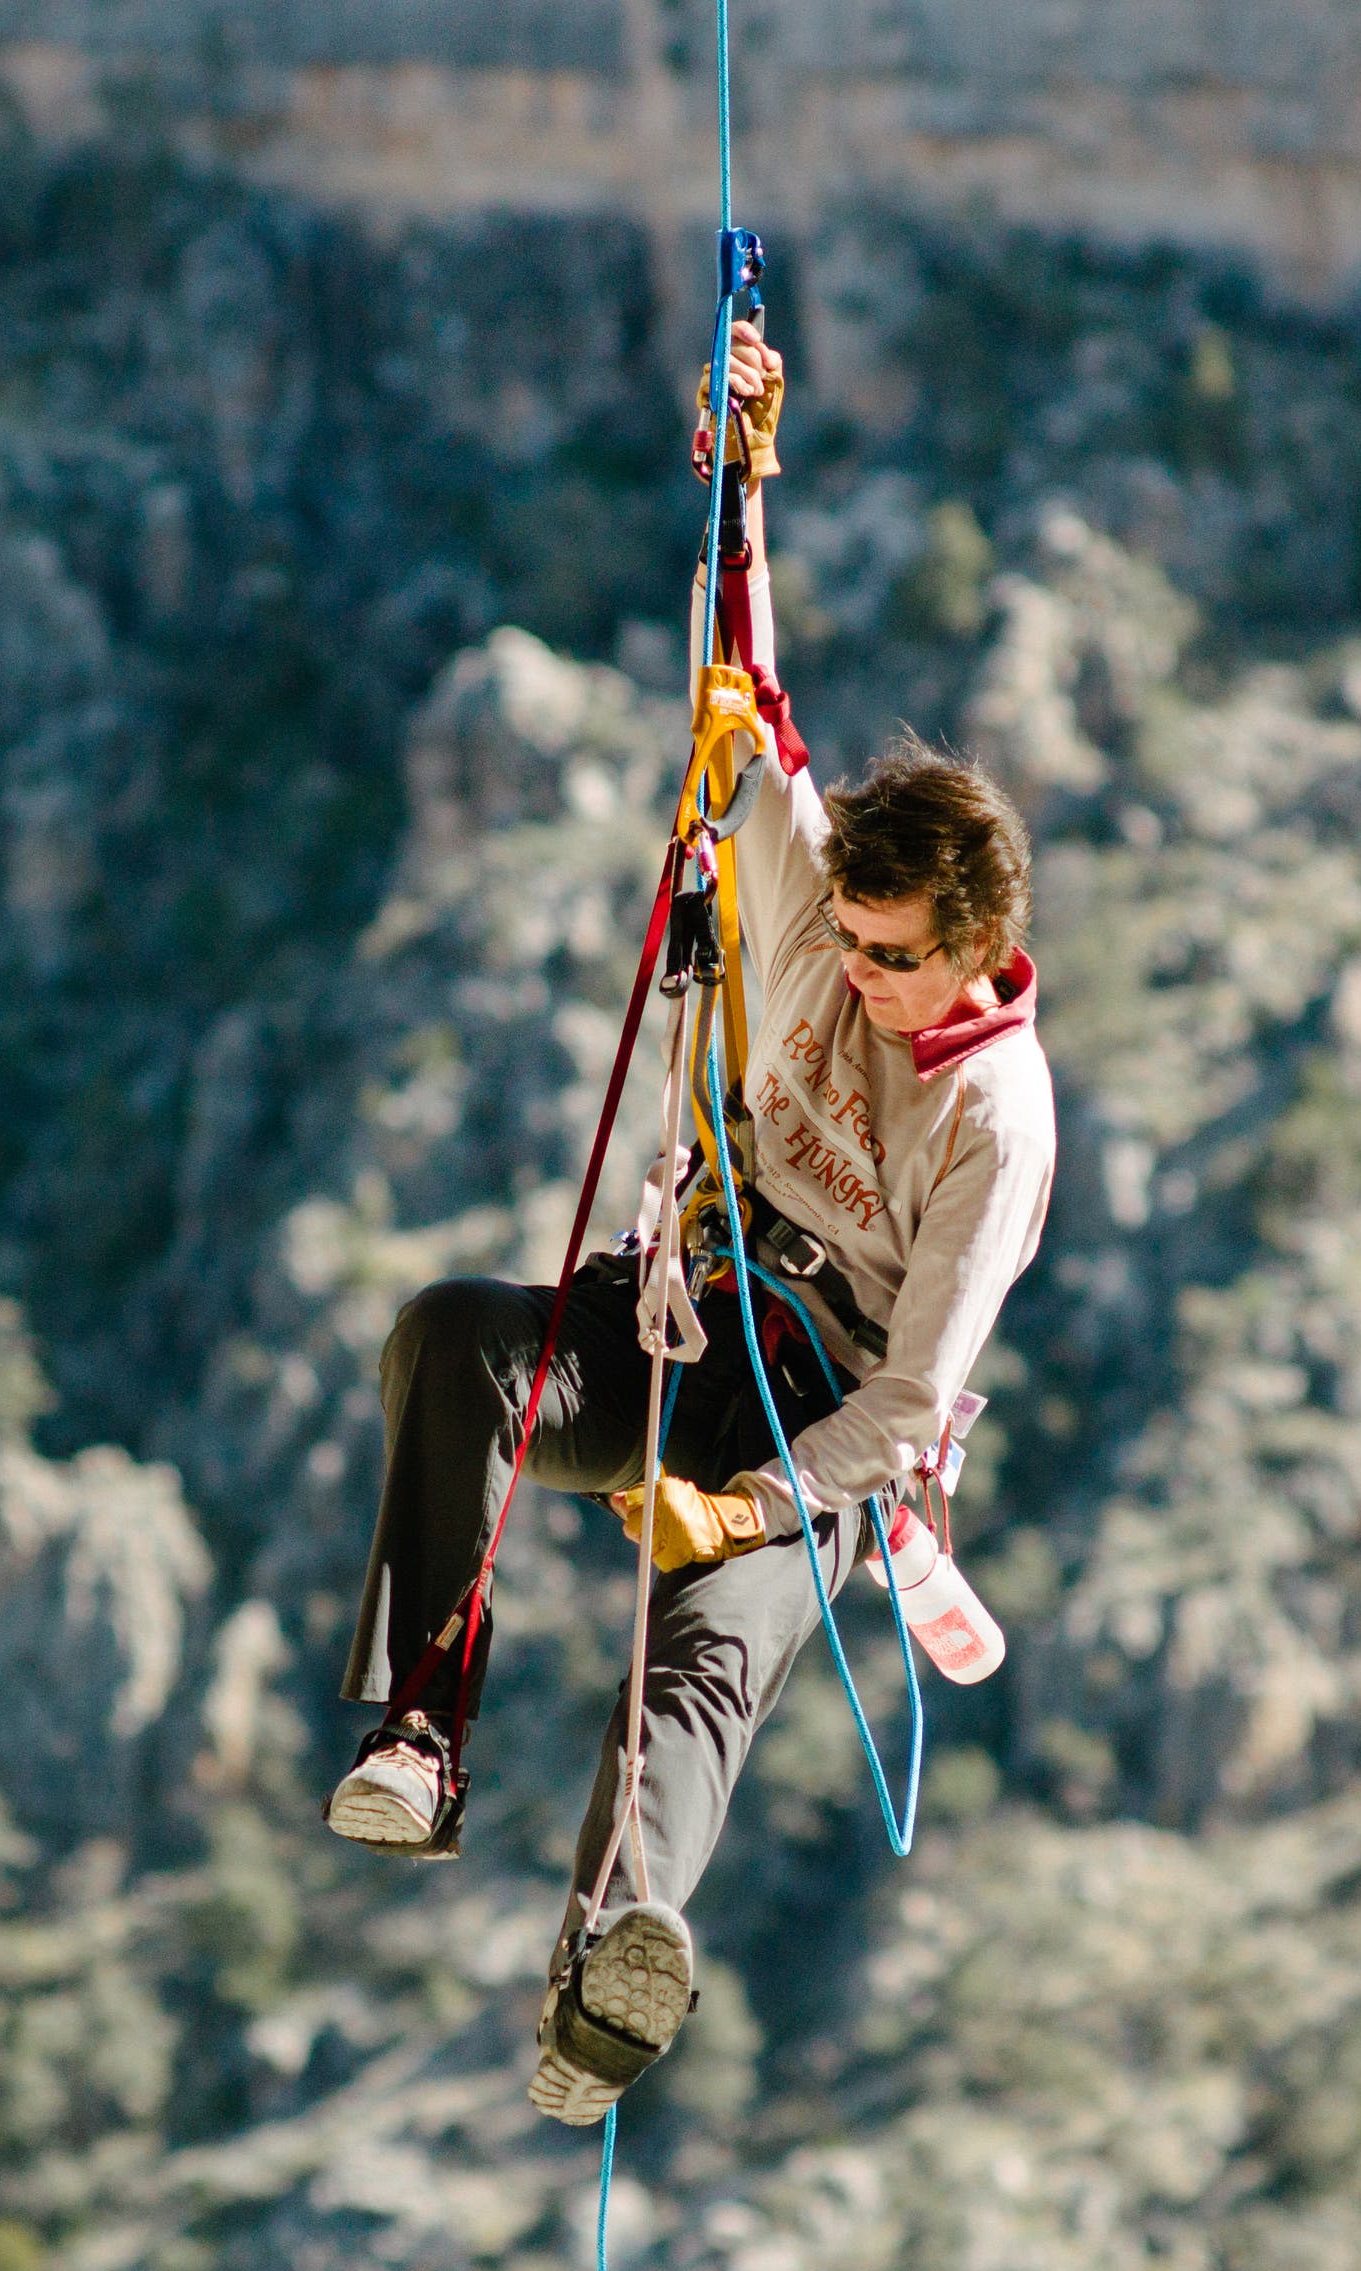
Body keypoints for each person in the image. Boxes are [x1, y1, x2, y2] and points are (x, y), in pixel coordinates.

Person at [328, 320, 1058, 2125]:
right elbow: (746, 685)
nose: (867, 981)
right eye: (858, 947)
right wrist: (742, 468)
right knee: (454, 1340)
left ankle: (607, 1980)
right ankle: (422, 1731)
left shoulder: (998, 1123)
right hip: (687, 1304)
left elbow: (907, 1410)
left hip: (815, 1417)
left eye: (900, 963)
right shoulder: (820, 894)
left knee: (706, 1656)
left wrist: (736, 1504)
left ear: (974, 944)